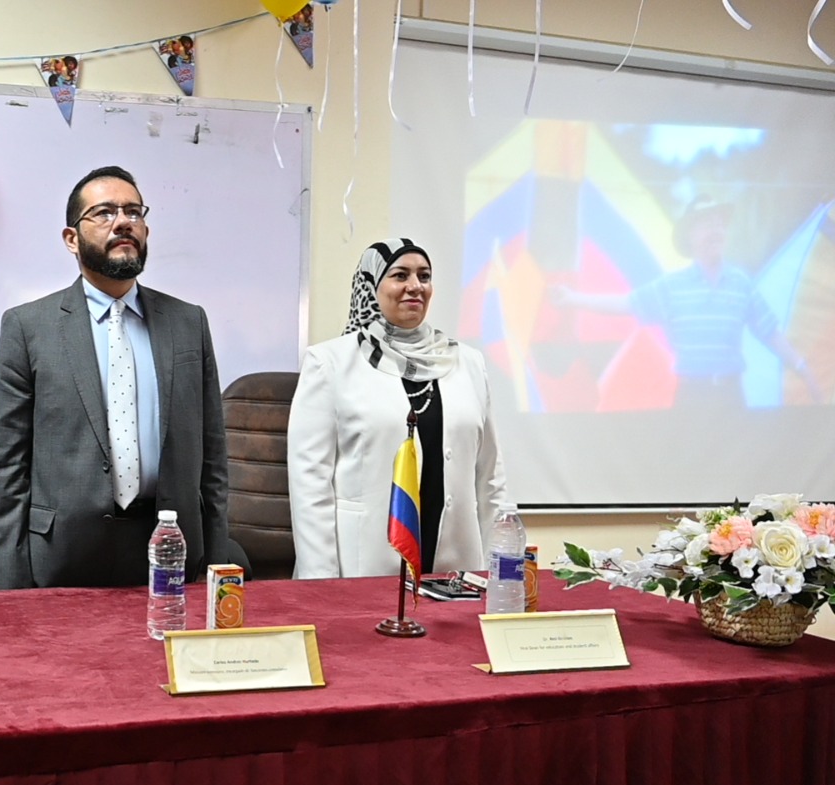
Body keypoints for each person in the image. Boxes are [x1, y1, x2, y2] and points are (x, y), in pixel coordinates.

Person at [0, 166, 229, 588]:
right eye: (104, 213)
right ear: (71, 238)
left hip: (173, 551)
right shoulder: (29, 328)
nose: (123, 222)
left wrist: (218, 563)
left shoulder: (188, 323)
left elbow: (213, 458)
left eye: (133, 212)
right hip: (62, 556)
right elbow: (4, 468)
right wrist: (10, 586)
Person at [287, 239, 508, 579]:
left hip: (456, 568)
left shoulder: (468, 363)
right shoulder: (330, 363)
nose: (415, 286)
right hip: (362, 567)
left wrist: (502, 571)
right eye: (400, 275)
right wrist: (322, 584)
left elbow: (490, 477)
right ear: (371, 286)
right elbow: (310, 484)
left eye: (424, 276)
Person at [552, 196, 818, 410]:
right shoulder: (672, 286)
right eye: (707, 225)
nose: (716, 231)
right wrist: (573, 299)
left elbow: (770, 333)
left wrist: (803, 369)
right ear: (691, 236)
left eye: (720, 224)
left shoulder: (741, 283)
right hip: (691, 397)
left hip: (731, 398)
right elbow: (626, 304)